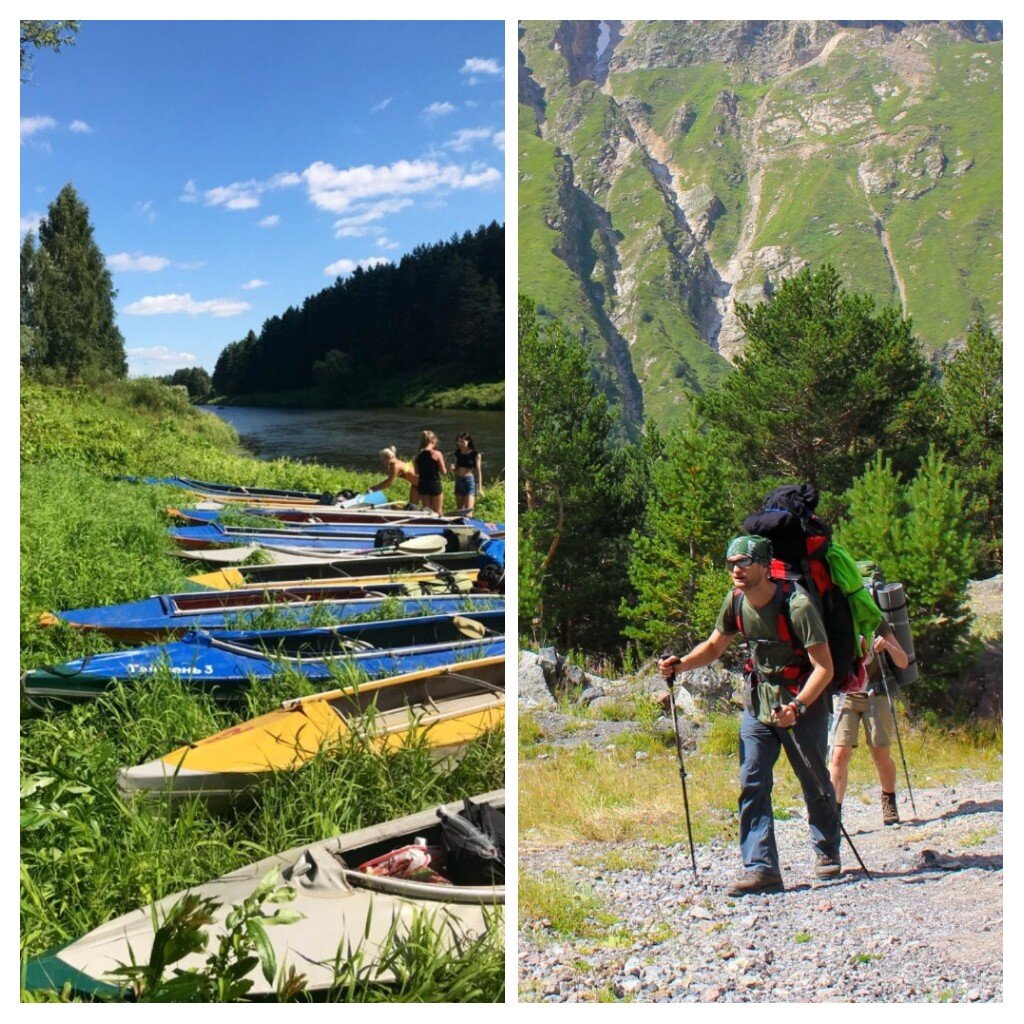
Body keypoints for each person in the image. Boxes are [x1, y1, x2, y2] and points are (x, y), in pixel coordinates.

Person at [658, 535, 842, 896]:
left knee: (814, 781)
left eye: (743, 562)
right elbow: (714, 646)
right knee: (752, 781)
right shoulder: (736, 601)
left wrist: (798, 707)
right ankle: (761, 869)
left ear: (764, 565)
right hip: (758, 703)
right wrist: (681, 665)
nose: (736, 570)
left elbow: (824, 668)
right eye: (731, 564)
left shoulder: (798, 605)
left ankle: (826, 849)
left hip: (802, 704)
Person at [828, 626, 910, 826]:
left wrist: (887, 645)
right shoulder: (833, 614)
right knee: (839, 754)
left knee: (880, 753)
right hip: (844, 694)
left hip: (875, 693)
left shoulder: (875, 619)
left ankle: (888, 799)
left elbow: (903, 661)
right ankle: (834, 814)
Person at [413, 430, 447, 515]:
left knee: (428, 511)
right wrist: (451, 468)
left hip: (423, 484)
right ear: (433, 440)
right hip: (434, 483)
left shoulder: (417, 455)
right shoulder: (437, 453)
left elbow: (416, 472)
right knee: (438, 511)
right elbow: (444, 471)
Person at [452, 432, 484, 513]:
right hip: (459, 481)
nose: (460, 444)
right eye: (459, 441)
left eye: (463, 441)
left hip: (469, 481)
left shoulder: (475, 454)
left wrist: (480, 488)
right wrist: (452, 468)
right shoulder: (457, 453)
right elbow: (456, 468)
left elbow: (478, 471)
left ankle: (469, 523)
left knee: (468, 511)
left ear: (468, 441)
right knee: (460, 511)